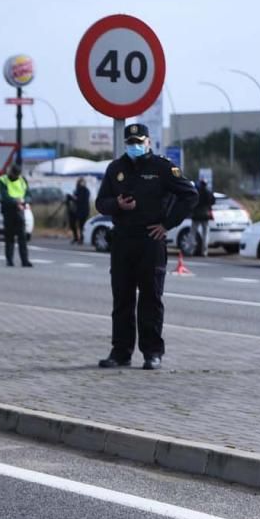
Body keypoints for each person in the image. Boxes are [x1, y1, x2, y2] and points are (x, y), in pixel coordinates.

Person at [95, 122, 197, 370]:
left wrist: (167, 224)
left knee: (151, 299)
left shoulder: (161, 167)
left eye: (139, 142)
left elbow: (190, 195)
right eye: (131, 143)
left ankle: (152, 353)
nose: (135, 146)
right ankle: (121, 352)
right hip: (122, 241)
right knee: (122, 299)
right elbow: (101, 203)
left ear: (148, 142)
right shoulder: (115, 168)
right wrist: (117, 204)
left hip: (150, 241)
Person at [0, 163, 32, 267]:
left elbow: (28, 195)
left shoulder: (22, 180)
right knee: (9, 237)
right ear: (10, 171)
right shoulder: (3, 180)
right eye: (13, 174)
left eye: (17, 175)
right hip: (9, 211)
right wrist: (15, 202)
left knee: (22, 237)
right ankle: (9, 260)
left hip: (20, 211)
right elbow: (4, 196)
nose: (15, 176)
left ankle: (25, 260)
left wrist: (24, 201)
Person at [191, 178, 214, 256]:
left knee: (192, 234)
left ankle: (191, 250)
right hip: (205, 215)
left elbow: (192, 201)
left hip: (196, 215)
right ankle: (204, 252)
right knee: (205, 234)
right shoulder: (209, 192)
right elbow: (213, 201)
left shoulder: (196, 191)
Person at [73, 178, 91, 244]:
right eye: (81, 182)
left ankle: (82, 238)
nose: (82, 183)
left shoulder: (84, 190)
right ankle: (79, 238)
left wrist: (75, 198)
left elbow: (81, 199)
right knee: (80, 225)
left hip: (83, 210)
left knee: (82, 225)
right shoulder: (78, 190)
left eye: (82, 182)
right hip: (80, 209)